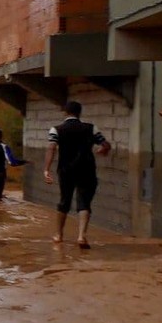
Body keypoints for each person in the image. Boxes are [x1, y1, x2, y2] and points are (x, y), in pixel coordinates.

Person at [43, 100, 111, 248]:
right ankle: (81, 236)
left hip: (66, 170)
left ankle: (59, 235)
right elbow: (106, 145)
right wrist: (103, 150)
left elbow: (51, 148)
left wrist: (46, 169)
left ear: (65, 113)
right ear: (80, 113)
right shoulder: (91, 128)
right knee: (84, 202)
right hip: (87, 169)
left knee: (64, 200)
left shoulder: (56, 129)